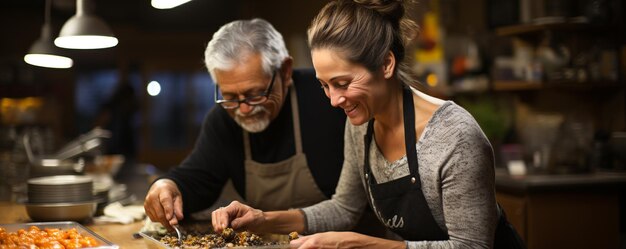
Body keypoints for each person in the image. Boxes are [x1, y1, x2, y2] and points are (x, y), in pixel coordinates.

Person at [211, 1, 525, 248]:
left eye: (343, 83)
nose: (333, 100)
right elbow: (343, 209)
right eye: (324, 85)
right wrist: (262, 219)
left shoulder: (454, 136)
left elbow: (472, 246)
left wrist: (359, 244)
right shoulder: (361, 124)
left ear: (386, 64)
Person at [143, 18, 348, 230]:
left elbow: (350, 205)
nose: (244, 109)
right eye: (230, 96)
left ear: (285, 71)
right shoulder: (223, 119)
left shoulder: (331, 101)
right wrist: (167, 186)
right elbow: (198, 179)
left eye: (255, 94)